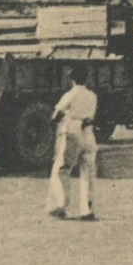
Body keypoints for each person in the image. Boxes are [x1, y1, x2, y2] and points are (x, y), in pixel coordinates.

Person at [47, 67, 99, 220]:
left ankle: (62, 206)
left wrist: (61, 118)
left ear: (72, 80)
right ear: (87, 79)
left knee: (62, 169)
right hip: (89, 134)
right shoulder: (92, 96)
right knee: (87, 172)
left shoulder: (70, 94)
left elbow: (55, 114)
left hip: (72, 132)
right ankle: (86, 210)